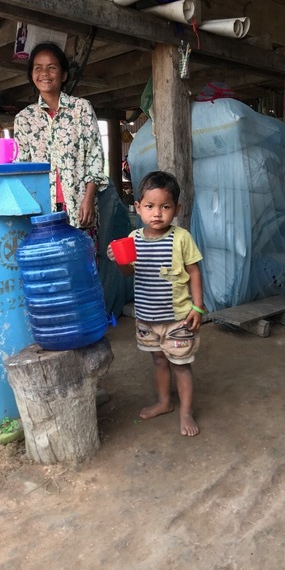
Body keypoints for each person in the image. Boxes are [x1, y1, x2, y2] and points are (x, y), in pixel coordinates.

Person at [107, 170, 204, 437]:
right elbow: (130, 273)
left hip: (178, 319)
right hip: (147, 318)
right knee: (159, 361)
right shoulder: (133, 238)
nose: (157, 213)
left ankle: (186, 411)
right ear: (138, 208)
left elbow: (194, 272)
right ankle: (164, 402)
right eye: (150, 206)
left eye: (165, 206)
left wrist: (197, 307)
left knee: (181, 365)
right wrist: (120, 261)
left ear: (177, 209)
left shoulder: (181, 237)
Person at [14, 41, 108, 245]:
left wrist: (89, 199)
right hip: (41, 209)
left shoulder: (81, 108)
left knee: (83, 267)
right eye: (38, 68)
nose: (44, 73)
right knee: (50, 269)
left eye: (52, 67)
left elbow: (95, 157)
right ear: (32, 74)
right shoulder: (24, 118)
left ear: (64, 74)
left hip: (79, 206)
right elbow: (21, 165)